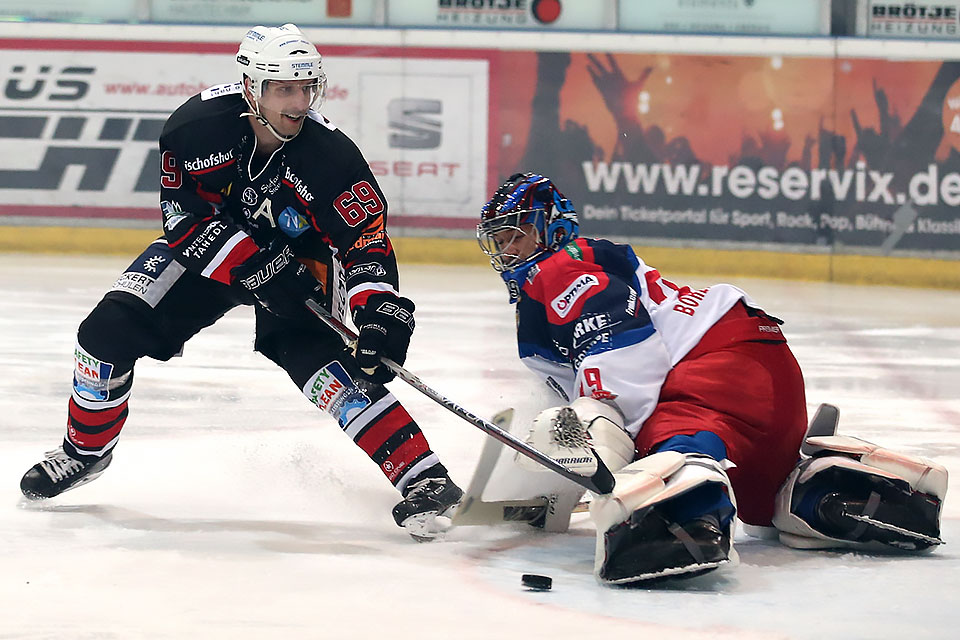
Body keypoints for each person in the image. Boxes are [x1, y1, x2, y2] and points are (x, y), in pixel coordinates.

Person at [19, 24, 462, 542]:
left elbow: (364, 240)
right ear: (250, 86)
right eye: (284, 89)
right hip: (209, 254)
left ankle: (424, 478)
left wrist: (379, 309)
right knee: (105, 334)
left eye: (307, 88)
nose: (299, 102)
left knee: (331, 367)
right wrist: (255, 266)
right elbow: (185, 223)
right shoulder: (195, 128)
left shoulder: (332, 159)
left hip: (301, 267)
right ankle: (84, 453)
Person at [476, 172, 948, 583]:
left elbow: (624, 365)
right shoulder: (582, 263)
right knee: (768, 504)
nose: (507, 250)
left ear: (552, 226)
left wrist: (603, 439)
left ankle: (677, 516)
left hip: (718, 372)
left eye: (517, 236)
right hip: (761, 369)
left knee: (663, 447)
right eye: (499, 241)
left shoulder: (558, 269)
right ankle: (829, 493)